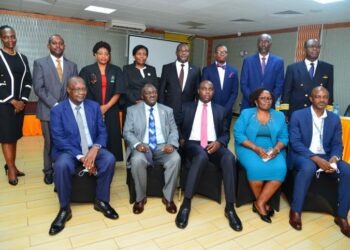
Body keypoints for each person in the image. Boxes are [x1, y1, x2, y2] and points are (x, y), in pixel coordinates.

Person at [49, 76, 118, 235]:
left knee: (109, 159)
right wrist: (81, 156)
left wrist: (95, 148)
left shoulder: (94, 106)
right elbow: (59, 139)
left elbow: (102, 132)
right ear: (68, 90)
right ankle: (65, 209)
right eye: (77, 89)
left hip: (92, 147)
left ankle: (101, 201)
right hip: (69, 150)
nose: (81, 92)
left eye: (84, 89)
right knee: (61, 165)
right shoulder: (58, 110)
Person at [175, 80, 242, 231]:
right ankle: (186, 204)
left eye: (210, 89)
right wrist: (181, 139)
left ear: (213, 92)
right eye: (204, 89)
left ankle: (230, 207)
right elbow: (176, 125)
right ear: (198, 90)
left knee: (229, 158)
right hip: (193, 144)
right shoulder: (186, 107)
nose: (207, 92)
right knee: (201, 155)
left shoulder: (221, 110)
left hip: (213, 144)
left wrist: (219, 142)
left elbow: (225, 133)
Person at [288, 86, 350, 237]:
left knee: (347, 170)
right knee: (309, 167)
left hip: (327, 155)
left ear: (328, 100)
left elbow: (337, 144)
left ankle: (341, 216)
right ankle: (296, 211)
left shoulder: (334, 118)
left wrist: (334, 159)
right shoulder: (298, 115)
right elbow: (295, 143)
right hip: (301, 154)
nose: (321, 100)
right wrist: (316, 159)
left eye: (325, 97)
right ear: (311, 98)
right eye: (318, 96)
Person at [123, 83, 180, 214]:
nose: (152, 94)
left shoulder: (167, 110)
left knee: (176, 159)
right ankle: (140, 199)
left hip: (162, 147)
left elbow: (174, 130)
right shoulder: (132, 110)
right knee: (137, 161)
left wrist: (171, 144)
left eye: (154, 92)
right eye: (148, 93)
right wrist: (137, 144)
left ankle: (168, 198)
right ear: (142, 96)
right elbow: (127, 132)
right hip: (142, 147)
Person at [234, 88, 288, 223]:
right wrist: (255, 148)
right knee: (255, 167)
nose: (267, 101)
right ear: (256, 101)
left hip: (272, 147)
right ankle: (262, 205)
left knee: (281, 168)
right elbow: (238, 134)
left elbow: (284, 137)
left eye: (269, 98)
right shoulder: (246, 113)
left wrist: (276, 149)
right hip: (249, 146)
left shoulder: (279, 116)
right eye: (263, 98)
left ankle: (260, 203)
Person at [33, 34, 78, 185]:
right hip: (47, 111)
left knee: (66, 141)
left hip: (67, 113)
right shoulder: (40, 63)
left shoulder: (72, 65)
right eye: (54, 43)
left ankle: (63, 168)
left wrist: (67, 106)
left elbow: (74, 88)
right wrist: (56, 105)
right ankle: (48, 171)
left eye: (61, 43)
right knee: (50, 142)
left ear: (64, 46)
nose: (58, 46)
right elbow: (39, 88)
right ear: (49, 45)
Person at [79, 41, 125, 161]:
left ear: (109, 56)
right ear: (95, 54)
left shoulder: (116, 70)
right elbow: (83, 91)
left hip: (111, 108)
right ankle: (91, 159)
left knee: (111, 135)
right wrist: (97, 108)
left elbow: (118, 91)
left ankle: (110, 161)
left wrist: (106, 107)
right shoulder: (86, 70)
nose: (103, 56)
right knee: (93, 134)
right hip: (92, 109)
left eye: (106, 54)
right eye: (100, 53)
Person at [0, 25, 32, 186]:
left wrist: (23, 101)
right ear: (1, 38)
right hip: (4, 105)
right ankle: (11, 169)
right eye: (6, 37)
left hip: (20, 105)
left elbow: (28, 81)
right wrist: (12, 101)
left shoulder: (22, 57)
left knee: (14, 136)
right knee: (6, 137)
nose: (10, 40)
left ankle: (11, 164)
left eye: (12, 36)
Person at [281, 39, 334, 120]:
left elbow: (329, 92)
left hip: (318, 113)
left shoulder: (327, 68)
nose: (315, 49)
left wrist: (329, 113)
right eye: (312, 46)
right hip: (296, 111)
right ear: (305, 49)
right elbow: (286, 92)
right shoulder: (293, 68)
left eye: (317, 47)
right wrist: (284, 113)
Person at [158, 43, 201, 126]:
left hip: (188, 110)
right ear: (176, 53)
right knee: (170, 134)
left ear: (189, 53)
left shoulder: (196, 69)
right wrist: (161, 108)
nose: (183, 53)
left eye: (186, 51)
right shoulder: (167, 68)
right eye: (181, 51)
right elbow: (161, 90)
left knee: (185, 135)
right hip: (170, 109)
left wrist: (197, 109)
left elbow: (198, 92)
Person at [240, 34, 284, 110]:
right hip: (249, 104)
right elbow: (243, 84)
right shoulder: (248, 61)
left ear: (270, 44)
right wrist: (254, 100)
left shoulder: (278, 62)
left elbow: (279, 85)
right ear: (257, 43)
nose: (263, 44)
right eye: (261, 41)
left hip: (269, 106)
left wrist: (268, 100)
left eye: (266, 41)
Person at [202, 44, 239, 125]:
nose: (222, 53)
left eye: (224, 52)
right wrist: (211, 106)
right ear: (215, 54)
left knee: (225, 133)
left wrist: (227, 108)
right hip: (210, 108)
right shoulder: (207, 70)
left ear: (227, 54)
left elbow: (234, 92)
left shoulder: (233, 71)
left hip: (227, 110)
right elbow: (204, 91)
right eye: (220, 52)